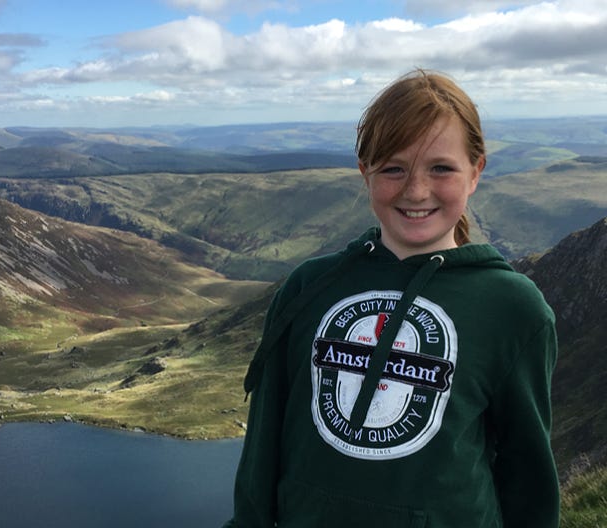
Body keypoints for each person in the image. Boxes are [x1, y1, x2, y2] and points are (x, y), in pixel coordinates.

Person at [223, 69, 559, 527]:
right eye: (393, 169)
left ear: (476, 172)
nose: (416, 191)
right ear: (365, 172)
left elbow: (529, 476)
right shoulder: (309, 286)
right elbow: (264, 441)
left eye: (441, 168)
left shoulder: (512, 306)